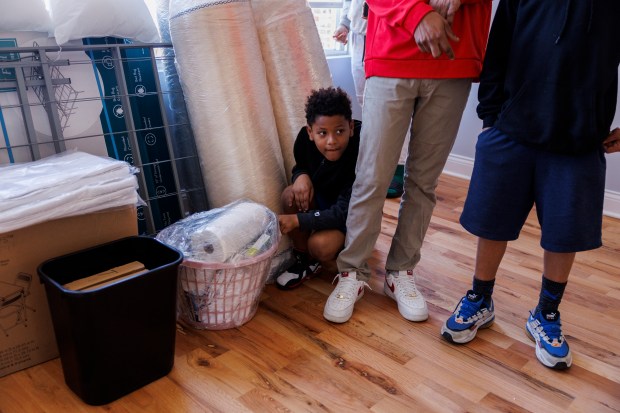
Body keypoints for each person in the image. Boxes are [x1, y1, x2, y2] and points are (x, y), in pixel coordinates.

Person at [440, 0, 620, 370]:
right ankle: (480, 297)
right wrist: (489, 120)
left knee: (563, 233)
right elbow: (498, 49)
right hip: (511, 129)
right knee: (492, 222)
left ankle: (546, 313)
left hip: (579, 139)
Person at [323, 0, 493, 323]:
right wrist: (415, 15)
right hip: (391, 52)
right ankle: (352, 273)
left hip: (452, 57)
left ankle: (400, 270)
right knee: (372, 177)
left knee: (423, 182)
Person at [276, 87, 361, 290]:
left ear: (351, 127)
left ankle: (345, 254)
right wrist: (300, 176)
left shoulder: (361, 150)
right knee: (290, 195)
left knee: (320, 246)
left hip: (350, 214)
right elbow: (301, 165)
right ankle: (305, 259)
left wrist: (297, 220)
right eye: (323, 133)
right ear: (310, 132)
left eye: (339, 131)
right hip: (324, 200)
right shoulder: (304, 141)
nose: (331, 141)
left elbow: (343, 213)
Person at [333, 0, 406, 199]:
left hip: (388, 34)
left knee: (393, 108)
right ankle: (371, 168)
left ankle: (398, 170)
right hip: (359, 38)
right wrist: (344, 24)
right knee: (367, 105)